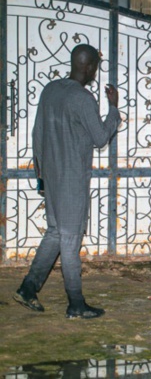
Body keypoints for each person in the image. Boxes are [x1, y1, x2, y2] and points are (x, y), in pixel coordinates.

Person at [14, 44, 121, 319]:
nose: (95, 71)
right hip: (72, 179)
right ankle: (76, 303)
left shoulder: (51, 90)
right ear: (88, 67)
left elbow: (38, 133)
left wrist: (40, 175)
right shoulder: (83, 98)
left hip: (51, 175)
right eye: (95, 66)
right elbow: (100, 137)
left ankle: (28, 288)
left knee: (55, 233)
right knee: (70, 242)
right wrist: (113, 110)